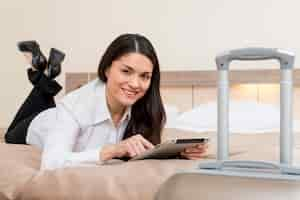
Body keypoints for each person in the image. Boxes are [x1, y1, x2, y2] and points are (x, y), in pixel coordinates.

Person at [5, 34, 208, 170]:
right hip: (35, 125)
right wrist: (113, 149)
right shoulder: (76, 105)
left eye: (145, 76)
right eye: (126, 71)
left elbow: (146, 149)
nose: (135, 84)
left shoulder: (148, 108)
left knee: (51, 101)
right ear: (107, 69)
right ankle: (43, 79)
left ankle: (46, 73)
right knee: (9, 132)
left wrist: (177, 153)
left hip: (57, 114)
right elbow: (51, 162)